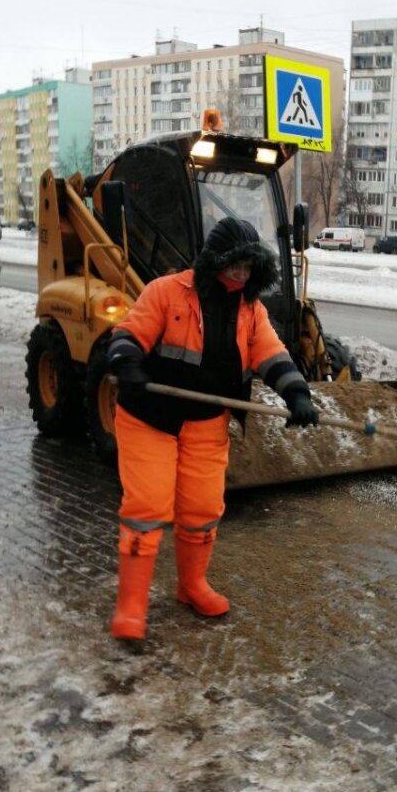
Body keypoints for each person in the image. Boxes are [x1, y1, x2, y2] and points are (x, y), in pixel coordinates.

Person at [106, 216, 319, 640]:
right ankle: (131, 605)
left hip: (206, 421)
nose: (241, 275)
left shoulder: (250, 310)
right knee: (148, 506)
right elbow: (129, 333)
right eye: (234, 265)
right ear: (214, 261)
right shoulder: (166, 293)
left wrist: (297, 394)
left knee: (203, 509)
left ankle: (191, 585)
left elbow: (271, 354)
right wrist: (126, 363)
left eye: (248, 268)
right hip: (151, 418)